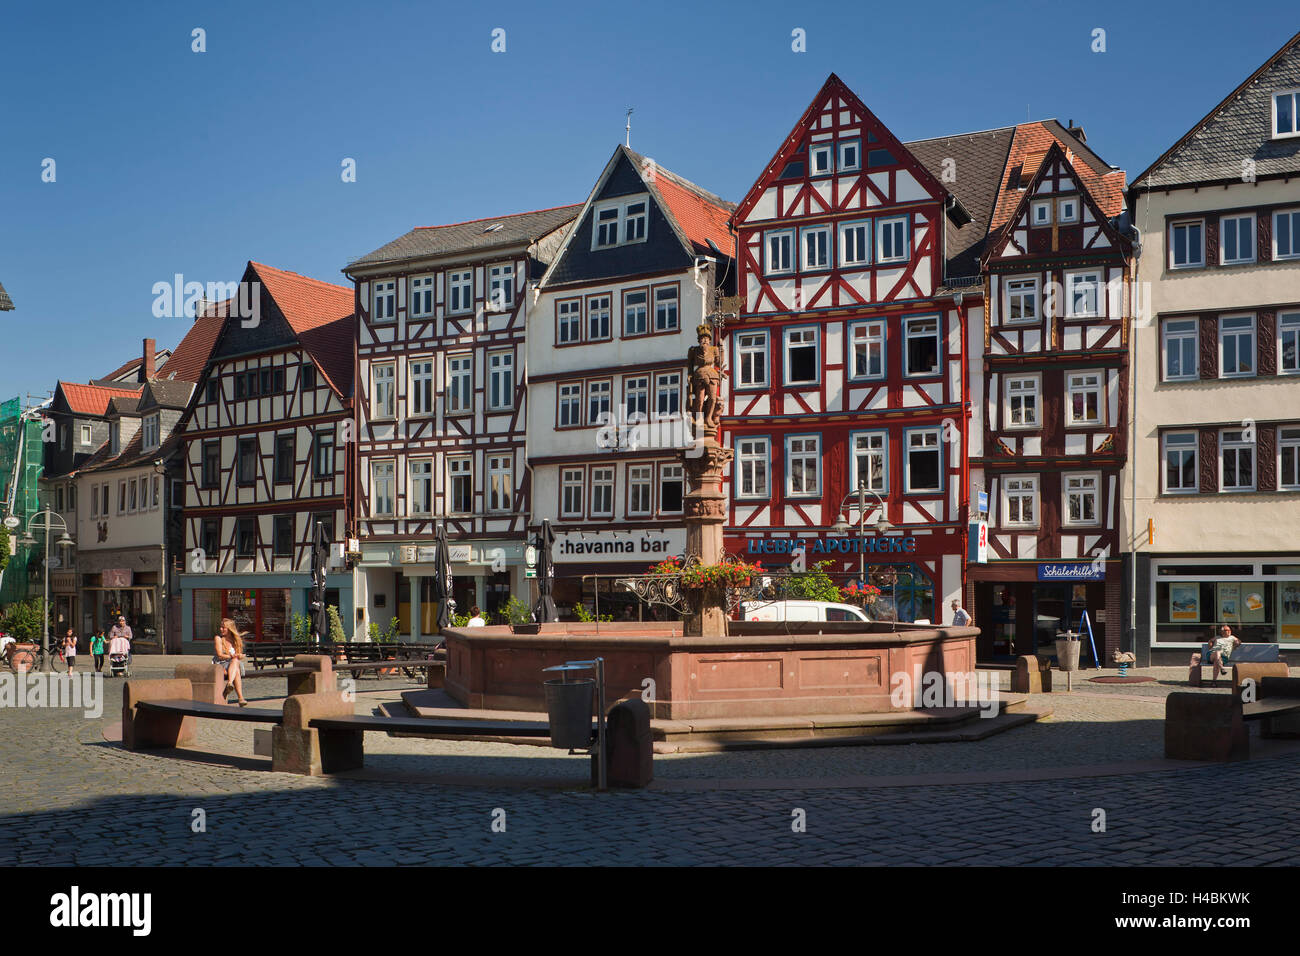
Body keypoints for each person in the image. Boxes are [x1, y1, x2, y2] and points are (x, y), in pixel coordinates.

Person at [213, 618, 248, 706]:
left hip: (233, 664)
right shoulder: (218, 638)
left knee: (235, 663)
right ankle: (240, 698)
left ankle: (229, 683)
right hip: (221, 664)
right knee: (236, 668)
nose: (221, 629)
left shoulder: (236, 640)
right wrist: (232, 656)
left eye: (224, 627)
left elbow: (239, 654)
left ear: (230, 629)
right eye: (221, 627)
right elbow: (220, 655)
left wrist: (240, 655)